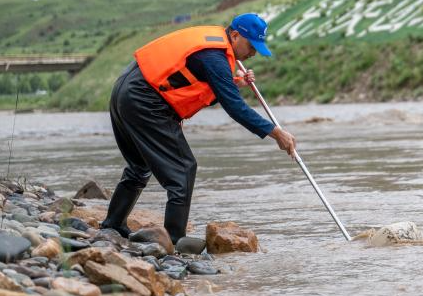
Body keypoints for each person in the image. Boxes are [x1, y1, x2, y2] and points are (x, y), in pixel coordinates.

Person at [100, 13, 297, 244]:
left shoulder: (214, 48)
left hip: (126, 90)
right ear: (235, 36)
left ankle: (112, 226)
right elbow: (235, 107)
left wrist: (235, 83)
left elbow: (193, 83)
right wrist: (276, 133)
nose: (253, 53)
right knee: (183, 168)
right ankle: (174, 241)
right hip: (144, 98)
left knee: (139, 166)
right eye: (251, 46)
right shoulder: (215, 56)